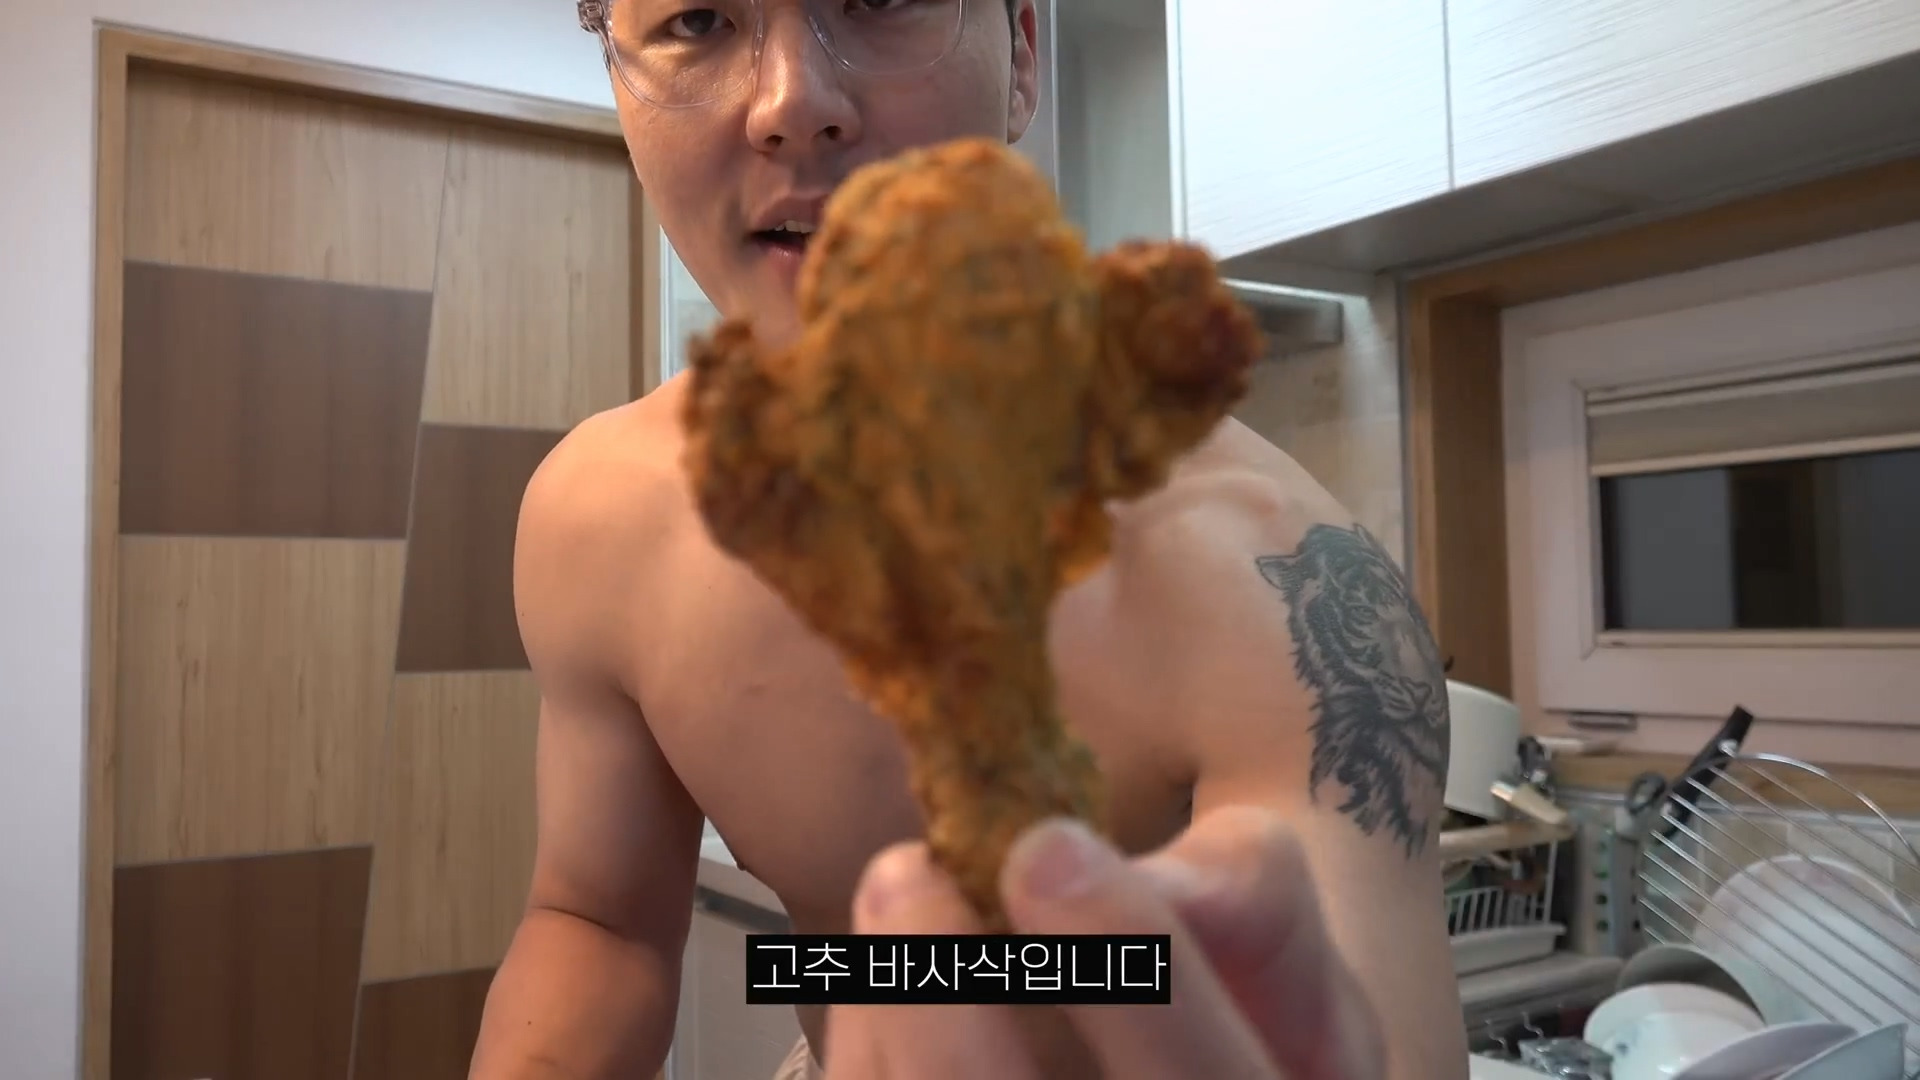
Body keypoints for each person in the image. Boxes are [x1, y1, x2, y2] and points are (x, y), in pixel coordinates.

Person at [468, 0, 1468, 1077]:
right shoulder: (602, 519)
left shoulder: (1278, 596)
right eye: (699, 18)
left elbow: (1340, 1033)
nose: (791, 102)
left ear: (1024, 53)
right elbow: (600, 925)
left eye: (880, 0)